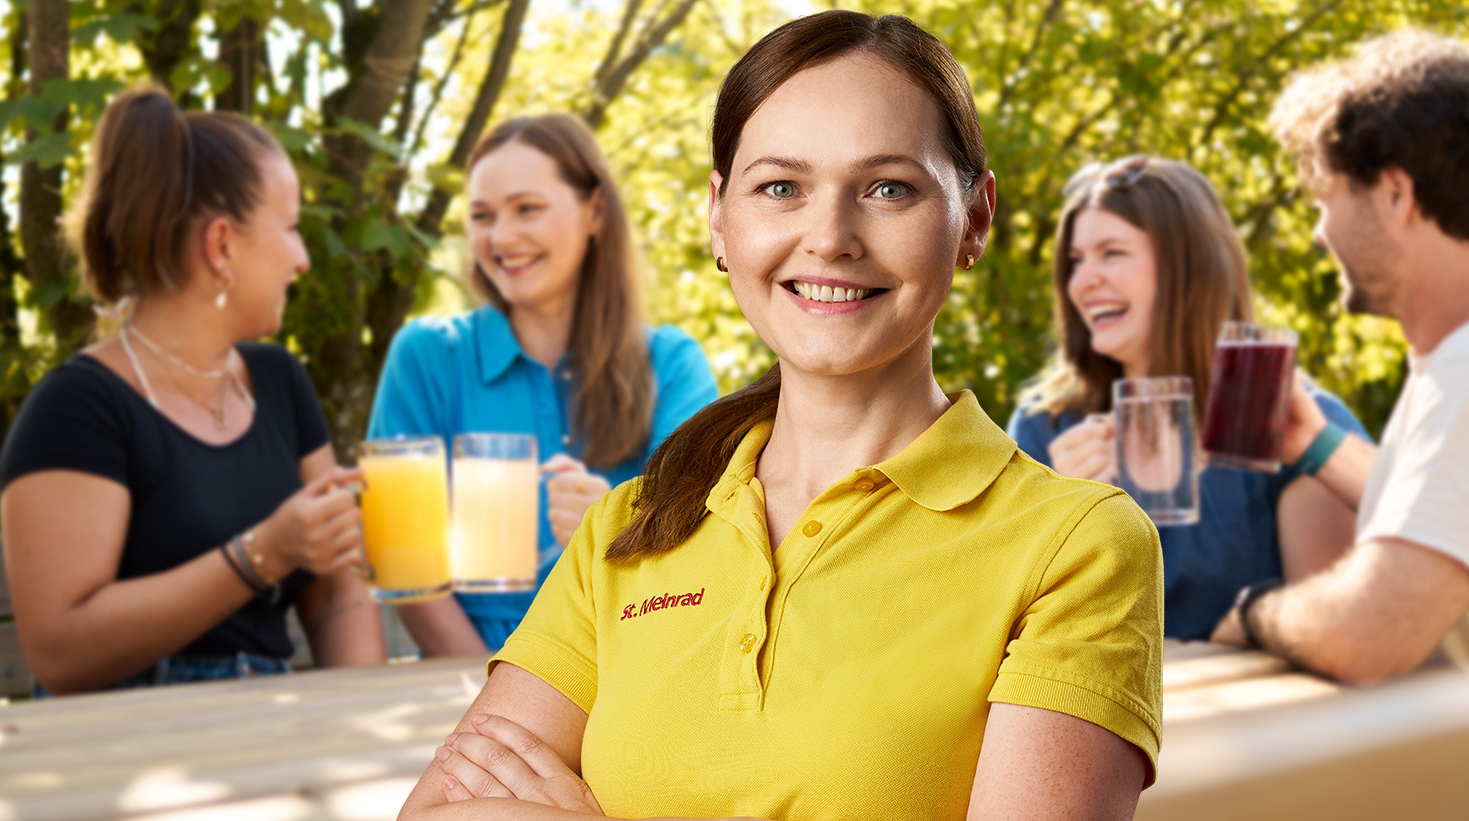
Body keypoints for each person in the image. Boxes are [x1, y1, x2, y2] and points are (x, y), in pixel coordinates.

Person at [401, 11, 1160, 820]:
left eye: (888, 188)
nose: (829, 237)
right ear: (720, 218)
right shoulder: (623, 533)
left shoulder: (1077, 547)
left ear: (972, 217)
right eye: (781, 188)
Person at [0, 87, 385, 695]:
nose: (303, 258)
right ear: (222, 245)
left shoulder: (280, 381)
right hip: (128, 738)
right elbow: (59, 652)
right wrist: (261, 554)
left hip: (271, 725)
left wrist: (366, 722)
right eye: (289, 228)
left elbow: (338, 588)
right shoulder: (76, 408)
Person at [370, 115, 720, 657]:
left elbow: (699, 552)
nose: (501, 237)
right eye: (482, 216)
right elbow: (402, 557)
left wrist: (610, 523)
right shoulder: (425, 356)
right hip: (463, 681)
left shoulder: (671, 364)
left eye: (527, 209)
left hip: (623, 674)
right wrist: (489, 692)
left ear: (595, 212)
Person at [1009, 155, 1376, 639]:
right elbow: (999, 646)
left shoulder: (1290, 424)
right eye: (1076, 262)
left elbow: (1338, 634)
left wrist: (1244, 626)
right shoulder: (1046, 427)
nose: (1083, 281)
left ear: (1191, 266)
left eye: (1112, 253)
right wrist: (1062, 529)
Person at [1211, 31, 1469, 685]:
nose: (1320, 230)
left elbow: (1366, 632)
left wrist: (1252, 613)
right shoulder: (1447, 366)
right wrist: (1315, 441)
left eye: (1328, 198)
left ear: (1395, 194)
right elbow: (1440, 516)